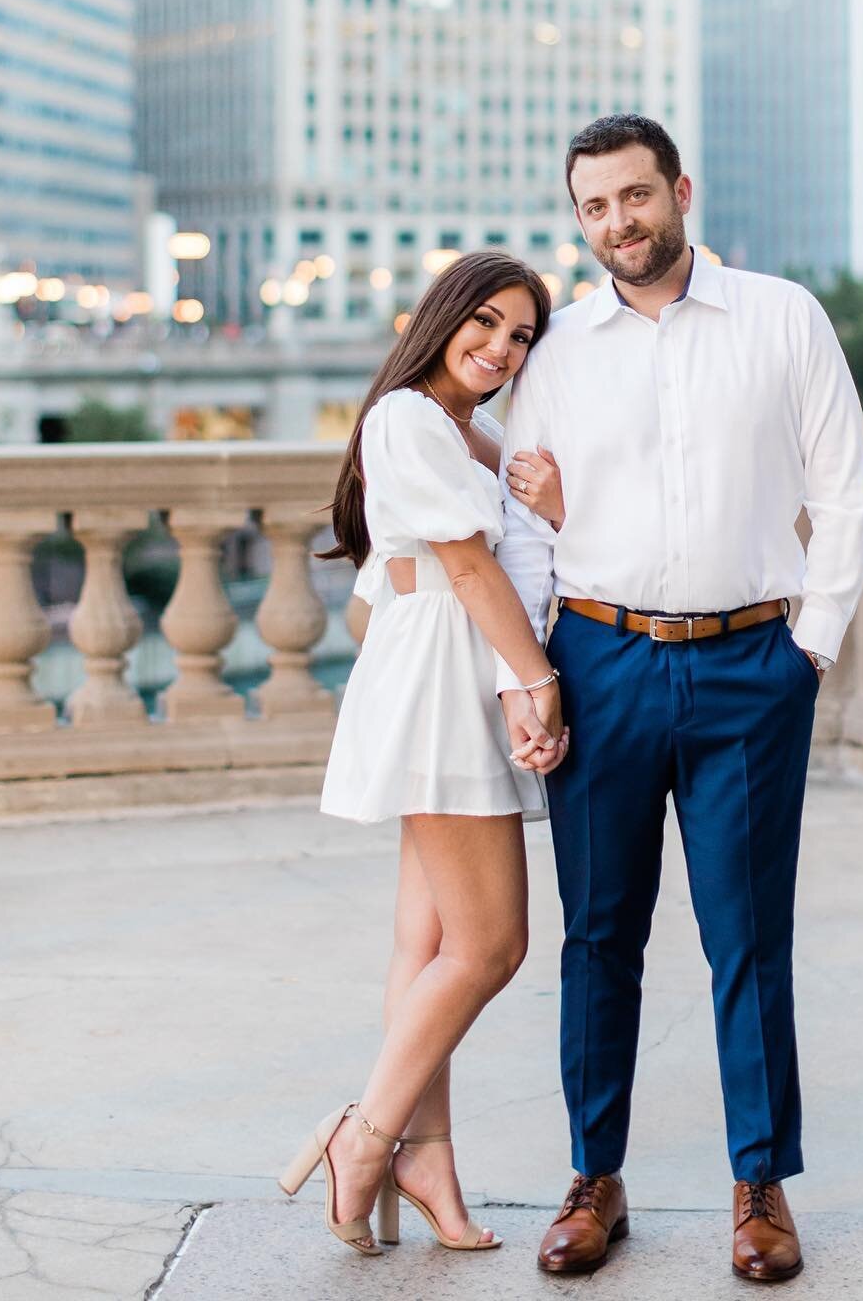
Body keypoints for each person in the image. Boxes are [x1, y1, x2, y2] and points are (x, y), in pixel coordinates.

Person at [497, 115, 863, 1283]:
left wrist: (805, 653)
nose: (621, 223)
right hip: (600, 666)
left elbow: (846, 497)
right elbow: (523, 522)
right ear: (580, 221)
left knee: (748, 939)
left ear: (681, 192)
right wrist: (533, 675)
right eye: (596, 207)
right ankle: (593, 1177)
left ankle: (759, 1187)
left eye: (637, 197)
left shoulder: (782, 318)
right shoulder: (557, 351)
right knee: (598, 935)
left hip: (749, 670)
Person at [279, 251, 571, 1259]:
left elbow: (388, 590)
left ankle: (427, 1154)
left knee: (428, 946)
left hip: (436, 670)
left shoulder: (461, 432)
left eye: (521, 335)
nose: (499, 347)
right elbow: (468, 564)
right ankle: (362, 1138)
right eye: (484, 322)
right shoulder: (408, 416)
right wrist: (534, 681)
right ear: (441, 317)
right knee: (490, 948)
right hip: (452, 679)